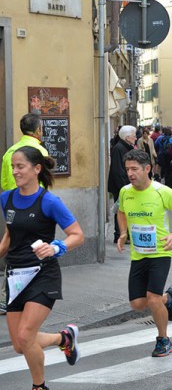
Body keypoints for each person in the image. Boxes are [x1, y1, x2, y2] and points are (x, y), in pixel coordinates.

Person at [0, 146, 84, 390]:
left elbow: (77, 234)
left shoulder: (49, 201)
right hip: (15, 276)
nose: (15, 171)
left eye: (20, 166)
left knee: (26, 336)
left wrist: (57, 247)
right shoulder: (7, 198)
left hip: (42, 274)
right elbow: (10, 235)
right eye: (13, 167)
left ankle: (39, 386)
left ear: (36, 169)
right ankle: (64, 338)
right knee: (18, 344)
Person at [117, 149, 172, 357]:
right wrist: (123, 233)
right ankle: (169, 298)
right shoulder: (125, 192)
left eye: (134, 169)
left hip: (161, 251)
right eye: (127, 169)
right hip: (138, 254)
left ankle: (163, 340)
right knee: (137, 304)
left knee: (152, 298)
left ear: (147, 169)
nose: (130, 174)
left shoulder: (162, 191)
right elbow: (121, 211)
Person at [0, 114, 49, 315]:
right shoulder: (39, 150)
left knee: (13, 247)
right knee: (35, 249)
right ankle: (25, 293)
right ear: (38, 130)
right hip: (33, 207)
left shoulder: (9, 153)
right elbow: (44, 183)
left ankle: (8, 295)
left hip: (12, 207)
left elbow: (4, 184)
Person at [107, 125, 136, 243]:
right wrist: (124, 187)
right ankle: (119, 234)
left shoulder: (125, 147)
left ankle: (125, 234)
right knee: (120, 210)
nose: (135, 138)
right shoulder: (119, 148)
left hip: (124, 184)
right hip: (121, 185)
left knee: (125, 209)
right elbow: (118, 170)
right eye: (134, 136)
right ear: (128, 137)